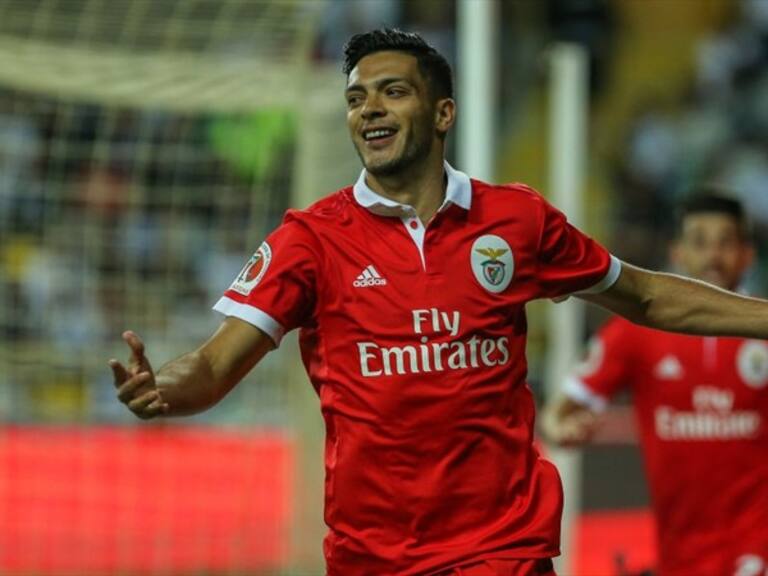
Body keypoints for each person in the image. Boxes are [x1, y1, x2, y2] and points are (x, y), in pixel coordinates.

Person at [109, 29, 768, 576]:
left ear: (443, 112)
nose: (369, 109)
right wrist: (162, 387)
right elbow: (215, 367)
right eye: (356, 98)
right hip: (372, 555)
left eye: (393, 92)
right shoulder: (309, 240)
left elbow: (647, 296)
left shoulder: (517, 222)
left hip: (502, 546)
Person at [542, 193, 768, 576]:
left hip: (756, 543)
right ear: (677, 252)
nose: (713, 255)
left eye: (725, 243)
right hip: (678, 554)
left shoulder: (761, 330)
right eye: (699, 241)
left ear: (747, 255)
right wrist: (562, 430)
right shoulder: (637, 333)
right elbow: (556, 413)